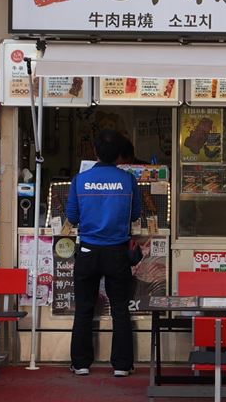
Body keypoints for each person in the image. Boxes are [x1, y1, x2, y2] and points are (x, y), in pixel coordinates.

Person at [66, 129, 141, 377]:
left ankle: (81, 363)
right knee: (120, 308)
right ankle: (121, 365)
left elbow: (73, 217)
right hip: (117, 252)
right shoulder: (129, 180)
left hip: (87, 250)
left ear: (95, 152)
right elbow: (135, 215)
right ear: (119, 154)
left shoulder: (80, 179)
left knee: (84, 308)